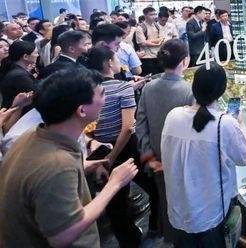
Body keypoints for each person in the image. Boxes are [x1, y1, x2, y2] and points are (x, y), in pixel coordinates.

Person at [0, 67, 138, 247]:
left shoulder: (32, 135)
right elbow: (63, 235)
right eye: (102, 94)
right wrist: (114, 183)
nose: (105, 99)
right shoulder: (58, 165)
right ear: (82, 110)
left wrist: (83, 166)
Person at [161, 65, 246, 246]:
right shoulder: (224, 123)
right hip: (211, 216)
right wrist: (240, 124)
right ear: (221, 91)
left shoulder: (173, 116)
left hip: (178, 212)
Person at [86, 46, 157, 245]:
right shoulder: (122, 87)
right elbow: (127, 128)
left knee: (115, 204)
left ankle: (129, 240)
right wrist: (112, 157)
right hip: (124, 148)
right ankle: (154, 227)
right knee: (153, 186)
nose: (120, 62)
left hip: (98, 148)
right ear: (108, 63)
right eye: (116, 58)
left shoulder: (90, 87)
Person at [136, 39, 195, 243]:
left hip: (156, 161)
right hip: (182, 164)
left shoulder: (148, 88)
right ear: (185, 61)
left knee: (165, 201)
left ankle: (170, 239)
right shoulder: (189, 91)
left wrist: (149, 158)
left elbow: (140, 125)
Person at [136, 7, 167, 75]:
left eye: (155, 14)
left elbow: (162, 38)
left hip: (158, 55)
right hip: (147, 57)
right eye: (151, 14)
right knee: (150, 78)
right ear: (145, 15)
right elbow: (142, 43)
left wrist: (149, 41)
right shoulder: (140, 28)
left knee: (161, 76)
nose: (154, 16)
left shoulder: (157, 26)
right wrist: (157, 43)